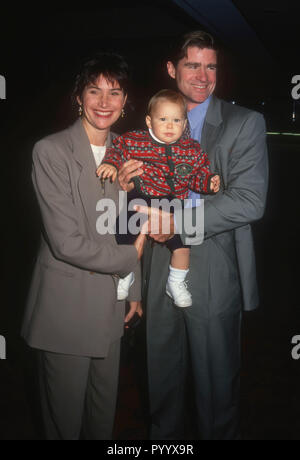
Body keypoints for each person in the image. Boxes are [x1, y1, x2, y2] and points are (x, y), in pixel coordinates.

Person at [118, 31, 269, 440]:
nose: (203, 76)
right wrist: (122, 184)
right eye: (192, 65)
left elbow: (250, 202)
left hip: (214, 271)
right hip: (158, 263)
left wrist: (177, 220)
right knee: (161, 385)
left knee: (216, 394)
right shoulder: (148, 126)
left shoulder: (245, 123)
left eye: (211, 66)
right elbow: (130, 203)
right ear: (172, 69)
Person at [21, 52, 146, 440]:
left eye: (115, 92)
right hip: (66, 310)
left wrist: (135, 291)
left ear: (126, 102)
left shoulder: (129, 152)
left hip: (110, 307)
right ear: (79, 97)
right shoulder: (51, 151)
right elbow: (66, 243)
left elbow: (130, 228)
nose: (104, 102)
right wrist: (130, 259)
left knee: (101, 420)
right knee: (65, 425)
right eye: (95, 91)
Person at [97, 89, 220, 308]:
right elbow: (117, 148)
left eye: (176, 120)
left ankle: (176, 282)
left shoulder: (191, 149)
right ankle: (126, 275)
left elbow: (197, 174)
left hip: (174, 202)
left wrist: (208, 182)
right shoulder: (136, 140)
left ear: (184, 124)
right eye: (163, 119)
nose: (170, 126)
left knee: (183, 244)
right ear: (149, 121)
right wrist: (111, 163)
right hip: (142, 196)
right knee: (124, 233)